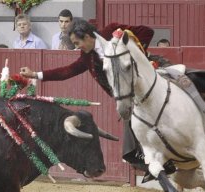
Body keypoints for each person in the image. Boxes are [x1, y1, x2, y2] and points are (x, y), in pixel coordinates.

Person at [19, 19, 154, 168]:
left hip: (145, 78)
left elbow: (147, 32)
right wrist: (35, 74)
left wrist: (135, 56)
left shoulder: (111, 31)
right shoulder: (87, 56)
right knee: (130, 118)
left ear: (88, 37)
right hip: (128, 96)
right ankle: (143, 159)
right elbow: (67, 71)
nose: (78, 47)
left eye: (77, 43)